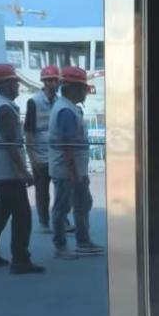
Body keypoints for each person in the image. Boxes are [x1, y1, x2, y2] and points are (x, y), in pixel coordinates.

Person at [0, 63, 43, 274]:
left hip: (0, 171)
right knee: (22, 216)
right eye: (14, 82)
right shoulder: (5, 109)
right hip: (7, 173)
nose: (18, 86)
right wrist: (24, 172)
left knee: (0, 214)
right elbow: (11, 145)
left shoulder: (0, 106)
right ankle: (20, 260)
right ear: (4, 85)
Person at [48, 66, 103, 259]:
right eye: (82, 88)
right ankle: (61, 246)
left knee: (83, 203)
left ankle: (83, 241)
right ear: (72, 88)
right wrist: (74, 173)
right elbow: (68, 145)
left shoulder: (67, 108)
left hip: (73, 169)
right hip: (67, 170)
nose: (85, 93)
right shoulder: (66, 111)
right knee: (62, 208)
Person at [24, 65, 60, 233]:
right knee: (42, 191)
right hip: (41, 155)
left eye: (56, 80)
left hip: (57, 154)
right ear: (44, 82)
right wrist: (33, 158)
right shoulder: (34, 102)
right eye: (51, 80)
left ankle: (61, 220)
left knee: (61, 191)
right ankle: (44, 222)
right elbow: (29, 132)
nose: (55, 83)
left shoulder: (59, 102)